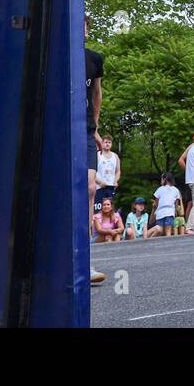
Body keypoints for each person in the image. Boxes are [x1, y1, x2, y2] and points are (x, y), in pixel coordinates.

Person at [84, 15, 107, 285]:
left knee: (90, 188)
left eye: (85, 25)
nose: (82, 29)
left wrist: (95, 127)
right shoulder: (56, 56)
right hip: (58, 131)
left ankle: (84, 259)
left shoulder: (94, 59)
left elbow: (97, 94)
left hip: (85, 130)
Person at [94, 136, 121, 206]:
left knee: (110, 209)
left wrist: (115, 181)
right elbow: (92, 171)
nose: (107, 144)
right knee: (98, 210)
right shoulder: (97, 155)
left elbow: (118, 171)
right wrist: (99, 182)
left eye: (109, 142)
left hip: (110, 187)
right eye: (106, 142)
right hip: (99, 187)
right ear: (102, 143)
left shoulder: (115, 156)